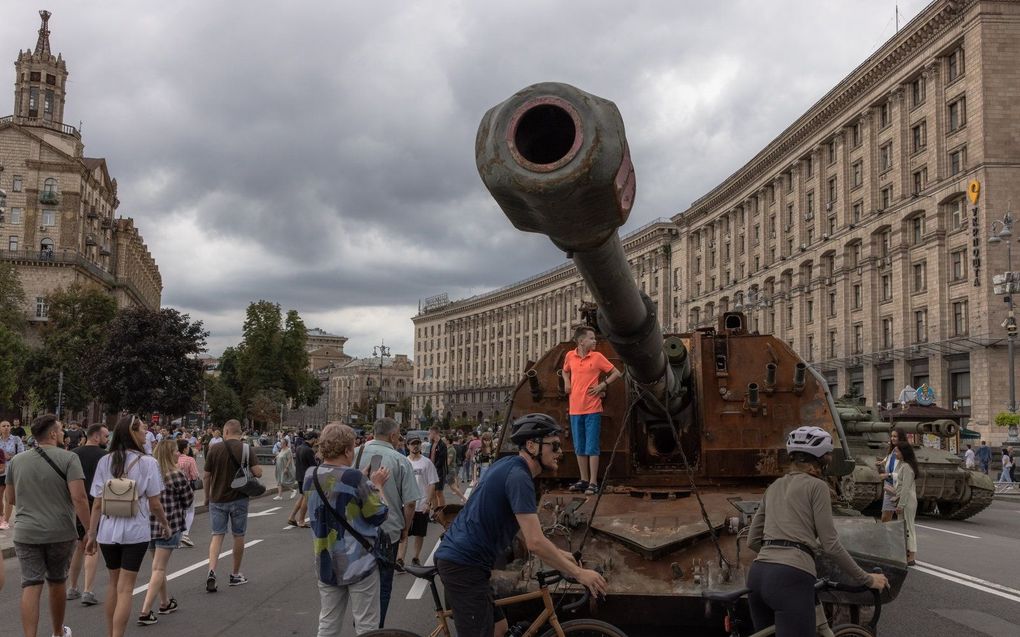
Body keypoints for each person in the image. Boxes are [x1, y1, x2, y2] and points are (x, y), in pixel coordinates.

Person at [436, 413, 607, 637]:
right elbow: (535, 542)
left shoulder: (509, 465)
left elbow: (526, 533)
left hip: (469, 563)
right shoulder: (519, 477)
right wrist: (578, 573)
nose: (559, 453)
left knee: (499, 628)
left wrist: (559, 554)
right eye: (554, 446)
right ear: (531, 445)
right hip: (464, 565)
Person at [747, 426, 888, 636]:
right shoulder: (817, 487)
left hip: (758, 576)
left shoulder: (774, 486)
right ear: (821, 460)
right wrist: (867, 579)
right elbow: (830, 544)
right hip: (790, 578)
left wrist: (777, 556)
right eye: (828, 457)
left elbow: (752, 540)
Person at [6, 414, 93, 637]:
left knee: (31, 584)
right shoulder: (69, 459)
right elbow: (80, 498)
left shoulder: (16, 461)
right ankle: (57, 632)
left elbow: (11, 499)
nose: (64, 433)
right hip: (60, 532)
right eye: (61, 429)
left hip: (26, 532)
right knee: (56, 582)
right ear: (53, 434)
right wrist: (90, 531)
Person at [86, 415, 169, 637]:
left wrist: (91, 534)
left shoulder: (105, 461)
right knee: (126, 589)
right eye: (143, 429)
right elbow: (155, 503)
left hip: (107, 529)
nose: (146, 433)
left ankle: (109, 633)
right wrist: (165, 525)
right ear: (133, 433)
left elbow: (97, 503)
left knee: (113, 584)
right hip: (135, 530)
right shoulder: (148, 463)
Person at [306, 423, 390, 635]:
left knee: (328, 621)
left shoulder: (310, 475)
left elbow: (335, 486)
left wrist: (359, 479)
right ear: (346, 450)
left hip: (325, 560)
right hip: (359, 562)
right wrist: (377, 486)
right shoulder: (355, 479)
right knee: (366, 624)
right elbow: (378, 515)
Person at [353, 417, 421, 628]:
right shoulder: (400, 459)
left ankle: (360, 626)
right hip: (387, 532)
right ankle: (376, 630)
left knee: (359, 585)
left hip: (355, 531)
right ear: (392, 435)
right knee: (383, 585)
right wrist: (405, 529)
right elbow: (410, 503)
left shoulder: (354, 455)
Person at [137, 440, 194, 625]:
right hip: (169, 525)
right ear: (169, 454)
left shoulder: (148, 474)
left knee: (157, 567)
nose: (178, 453)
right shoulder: (176, 475)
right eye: (176, 451)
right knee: (159, 568)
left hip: (148, 526)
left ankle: (165, 602)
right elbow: (188, 501)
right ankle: (145, 611)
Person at [562, 325, 623, 495]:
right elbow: (564, 371)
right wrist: (567, 382)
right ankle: (583, 480)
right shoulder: (570, 356)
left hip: (592, 408)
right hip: (575, 409)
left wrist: (602, 384)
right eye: (592, 338)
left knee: (592, 446)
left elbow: (616, 372)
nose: (595, 341)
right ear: (581, 341)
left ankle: (593, 482)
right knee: (579, 446)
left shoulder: (597, 357)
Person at [202, 419, 262, 592]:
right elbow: (258, 472)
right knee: (238, 535)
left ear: (226, 432)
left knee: (217, 536)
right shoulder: (245, 448)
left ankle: (211, 570)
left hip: (217, 499)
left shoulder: (214, 449)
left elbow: (206, 476)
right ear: (240, 432)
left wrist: (207, 497)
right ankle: (235, 574)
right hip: (239, 498)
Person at [67, 423, 110, 606]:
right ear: (96, 437)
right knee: (92, 546)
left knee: (78, 545)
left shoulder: (74, 454)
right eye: (106, 436)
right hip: (97, 504)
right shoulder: (106, 457)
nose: (107, 440)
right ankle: (88, 590)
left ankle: (72, 587)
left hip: (76, 503)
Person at [397, 437, 438, 569]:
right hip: (406, 503)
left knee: (419, 533)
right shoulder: (403, 462)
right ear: (407, 446)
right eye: (412, 444)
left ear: (421, 446)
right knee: (404, 531)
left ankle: (415, 557)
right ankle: (400, 559)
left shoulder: (427, 463)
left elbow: (432, 483)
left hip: (421, 503)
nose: (415, 446)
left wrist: (428, 502)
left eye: (417, 444)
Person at [890, 440, 920, 565]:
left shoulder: (907, 467)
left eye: (897, 451)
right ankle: (907, 554)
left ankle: (911, 556)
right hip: (905, 499)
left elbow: (906, 488)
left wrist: (901, 505)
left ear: (903, 452)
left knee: (908, 527)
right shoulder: (904, 465)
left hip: (907, 501)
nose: (895, 453)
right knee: (905, 527)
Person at [1, 419, 26, 530]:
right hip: (1, 471)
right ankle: (1, 517)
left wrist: (9, 457)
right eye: (3, 426)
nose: (6, 427)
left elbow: (22, 454)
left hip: (12, 470)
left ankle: (6, 520)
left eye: (8, 425)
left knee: (8, 497)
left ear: (10, 427)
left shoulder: (16, 440)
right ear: (0, 428)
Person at [876, 428, 906, 523]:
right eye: (892, 436)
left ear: (901, 438)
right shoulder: (893, 451)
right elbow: (888, 460)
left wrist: (888, 475)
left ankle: (902, 537)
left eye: (895, 436)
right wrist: (882, 463)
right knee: (885, 517)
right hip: (889, 488)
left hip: (900, 488)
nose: (892, 438)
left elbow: (905, 473)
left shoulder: (904, 452)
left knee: (901, 519)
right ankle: (887, 536)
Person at [175, 439, 199, 547]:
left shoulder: (174, 459)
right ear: (185, 448)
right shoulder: (190, 459)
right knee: (190, 511)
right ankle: (185, 534)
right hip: (187, 486)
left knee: (178, 511)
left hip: (174, 487)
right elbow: (194, 475)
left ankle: (176, 536)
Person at [289, 437, 317, 527]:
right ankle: (301, 520)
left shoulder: (299, 447)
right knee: (306, 498)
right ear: (313, 439)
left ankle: (292, 517)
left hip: (300, 476)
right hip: (307, 476)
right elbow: (314, 465)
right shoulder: (309, 450)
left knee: (302, 496)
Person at [427, 426, 448, 509]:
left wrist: (434, 468)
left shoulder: (442, 445)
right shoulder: (432, 444)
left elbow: (441, 460)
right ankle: (436, 512)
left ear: (434, 433)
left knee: (439, 492)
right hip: (432, 470)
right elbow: (430, 457)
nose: (429, 435)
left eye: (430, 433)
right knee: (433, 493)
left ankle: (442, 511)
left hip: (439, 471)